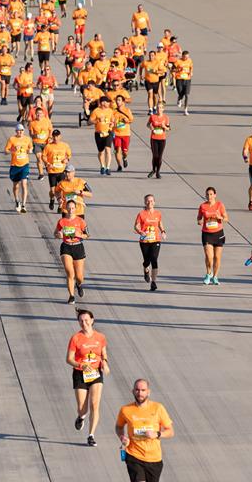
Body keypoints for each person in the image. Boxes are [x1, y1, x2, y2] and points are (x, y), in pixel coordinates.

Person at [115, 379, 174, 482]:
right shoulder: (125, 410)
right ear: (133, 391)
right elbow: (119, 427)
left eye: (143, 390)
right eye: (137, 390)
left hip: (154, 458)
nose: (140, 393)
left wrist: (157, 434)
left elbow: (170, 431)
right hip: (134, 456)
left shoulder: (158, 408)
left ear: (148, 392)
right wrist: (122, 437)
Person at [67, 309, 109, 447]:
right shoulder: (75, 338)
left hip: (95, 373)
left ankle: (91, 435)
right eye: (81, 321)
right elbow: (69, 359)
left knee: (95, 405)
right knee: (82, 408)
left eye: (86, 320)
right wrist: (81, 365)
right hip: (80, 373)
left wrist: (105, 364)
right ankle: (81, 417)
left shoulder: (100, 337)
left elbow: (103, 353)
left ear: (92, 320)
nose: (84, 323)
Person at [57, 199, 88, 304]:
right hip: (66, 247)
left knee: (79, 277)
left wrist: (80, 235)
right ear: (66, 208)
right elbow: (55, 233)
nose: (71, 210)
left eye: (73, 208)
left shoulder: (81, 221)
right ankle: (71, 296)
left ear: (75, 209)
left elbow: (87, 235)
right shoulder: (62, 221)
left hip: (78, 247)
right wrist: (58, 235)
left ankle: (79, 285)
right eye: (69, 208)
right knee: (70, 273)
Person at [197, 187, 228, 285]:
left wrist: (220, 217)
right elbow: (199, 218)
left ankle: (215, 276)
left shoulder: (220, 205)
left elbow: (226, 218)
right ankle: (208, 274)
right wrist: (200, 221)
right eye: (207, 194)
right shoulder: (202, 206)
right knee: (209, 256)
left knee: (217, 257)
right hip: (207, 234)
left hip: (218, 233)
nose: (209, 196)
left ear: (215, 195)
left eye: (211, 194)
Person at [134, 195, 165, 291]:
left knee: (154, 259)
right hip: (144, 240)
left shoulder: (158, 213)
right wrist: (140, 232)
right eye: (147, 201)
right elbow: (136, 226)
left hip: (156, 240)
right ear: (145, 202)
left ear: (154, 202)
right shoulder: (141, 214)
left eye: (151, 201)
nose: (149, 203)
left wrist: (163, 231)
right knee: (147, 261)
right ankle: (146, 271)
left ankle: (154, 282)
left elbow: (160, 223)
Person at [4, 123, 33, 213]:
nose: (20, 132)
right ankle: (17, 201)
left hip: (25, 165)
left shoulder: (27, 139)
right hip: (15, 165)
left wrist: (30, 150)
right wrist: (12, 150)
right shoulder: (12, 139)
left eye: (21, 130)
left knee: (24, 184)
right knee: (16, 186)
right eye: (18, 130)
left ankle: (23, 205)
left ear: (24, 131)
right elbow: (6, 151)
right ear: (16, 131)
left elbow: (31, 147)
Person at [89, 96, 115, 176]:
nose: (108, 103)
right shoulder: (96, 111)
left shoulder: (110, 111)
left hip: (108, 132)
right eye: (106, 102)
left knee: (108, 149)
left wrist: (112, 124)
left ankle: (108, 167)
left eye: (108, 102)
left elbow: (113, 121)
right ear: (102, 102)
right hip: (99, 133)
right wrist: (97, 121)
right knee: (101, 151)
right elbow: (89, 121)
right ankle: (102, 166)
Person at [146, 102, 170, 179]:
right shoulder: (153, 117)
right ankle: (153, 169)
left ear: (163, 109)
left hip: (162, 139)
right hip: (154, 138)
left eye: (160, 108)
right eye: (158, 107)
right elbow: (148, 124)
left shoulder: (166, 118)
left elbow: (169, 128)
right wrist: (151, 127)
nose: (159, 109)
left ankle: (158, 172)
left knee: (160, 157)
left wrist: (164, 127)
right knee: (155, 155)